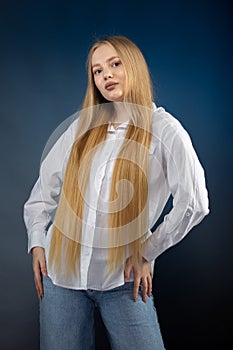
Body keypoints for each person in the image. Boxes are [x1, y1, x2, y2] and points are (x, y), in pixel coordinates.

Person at [24, 35, 209, 350]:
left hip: (122, 279)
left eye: (114, 64)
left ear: (133, 67)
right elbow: (41, 194)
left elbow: (194, 204)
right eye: (97, 71)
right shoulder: (82, 126)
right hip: (60, 276)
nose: (105, 75)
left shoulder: (165, 130)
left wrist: (148, 251)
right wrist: (37, 242)